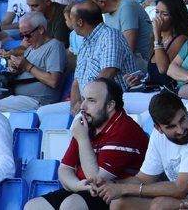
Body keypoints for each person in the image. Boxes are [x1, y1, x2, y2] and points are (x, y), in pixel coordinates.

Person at [25, 78, 148, 210]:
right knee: (34, 206)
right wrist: (79, 185)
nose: (83, 106)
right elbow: (64, 169)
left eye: (91, 100)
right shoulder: (89, 124)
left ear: (110, 105)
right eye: (83, 99)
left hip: (117, 193)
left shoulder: (124, 130)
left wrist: (83, 139)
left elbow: (96, 179)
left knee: (71, 205)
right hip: (85, 189)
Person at [91, 90, 188, 208]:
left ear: (186, 112)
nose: (180, 130)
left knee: (161, 205)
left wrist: (124, 189)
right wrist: (109, 185)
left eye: (182, 120)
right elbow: (143, 179)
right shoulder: (157, 136)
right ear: (158, 128)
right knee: (119, 203)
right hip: (182, 198)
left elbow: (181, 188)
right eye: (171, 127)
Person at [63, 2, 138, 115]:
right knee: (46, 113)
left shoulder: (110, 36)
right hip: (90, 104)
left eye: (71, 18)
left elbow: (106, 75)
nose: (70, 23)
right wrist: (75, 106)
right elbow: (76, 82)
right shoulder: (84, 42)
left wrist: (86, 102)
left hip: (111, 105)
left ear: (80, 22)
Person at [0, 12, 65, 112]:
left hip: (37, 100)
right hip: (18, 96)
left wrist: (27, 66)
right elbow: (29, 70)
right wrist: (15, 68)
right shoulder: (32, 47)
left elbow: (53, 81)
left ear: (40, 29)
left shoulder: (54, 46)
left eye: (27, 35)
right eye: (22, 35)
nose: (25, 40)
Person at [86, 0, 154, 71]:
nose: (89, 7)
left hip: (139, 63)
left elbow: (128, 48)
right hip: (121, 60)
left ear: (102, 2)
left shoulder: (127, 7)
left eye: (91, 3)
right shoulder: (107, 12)